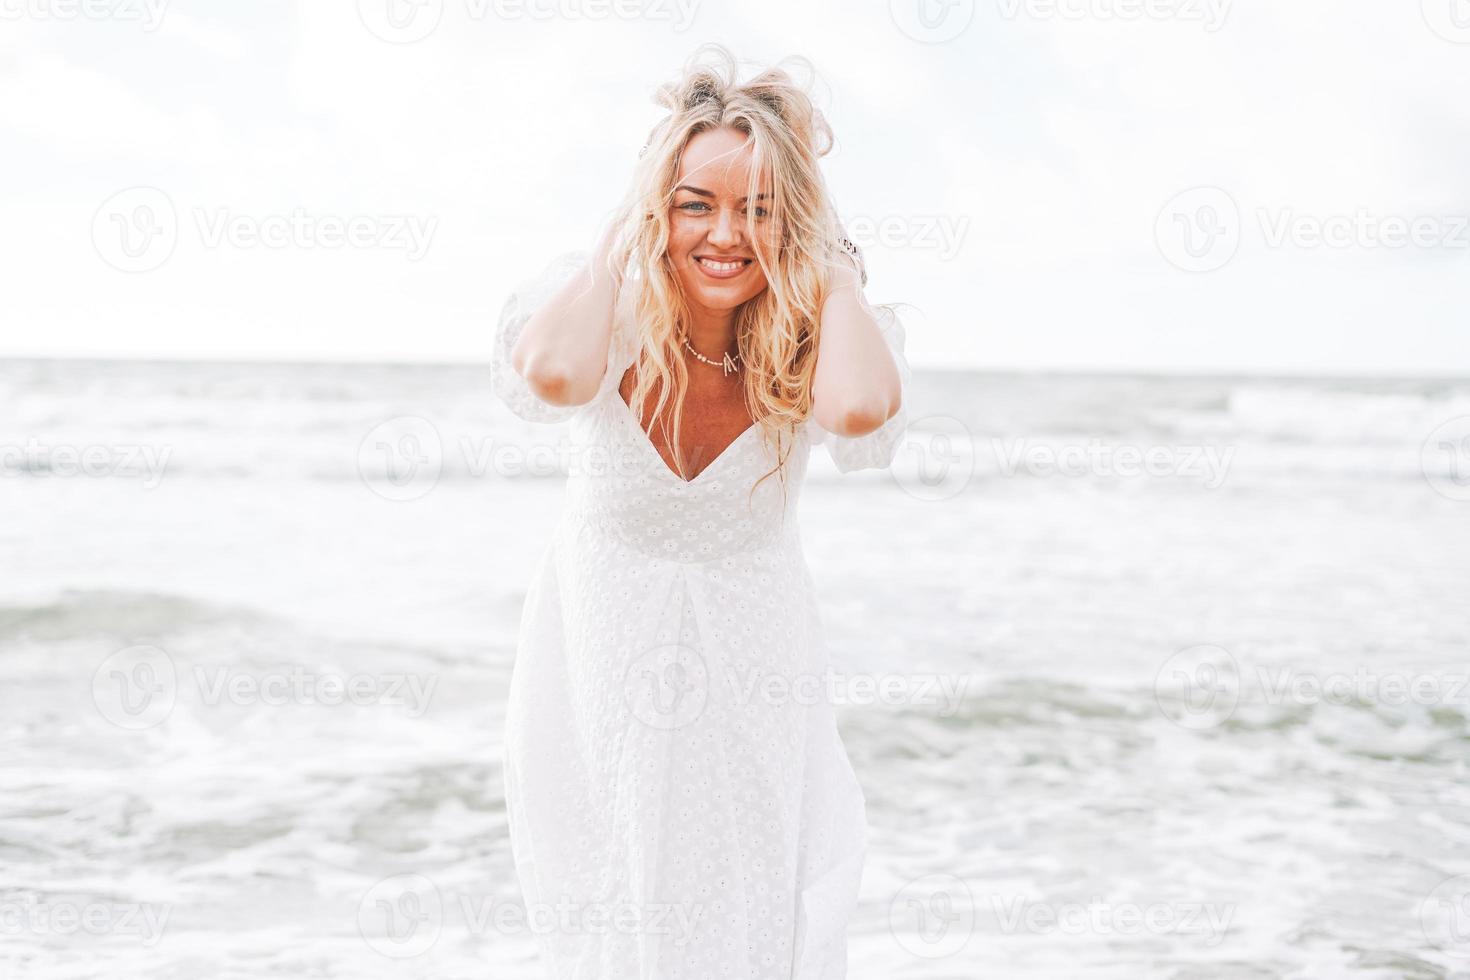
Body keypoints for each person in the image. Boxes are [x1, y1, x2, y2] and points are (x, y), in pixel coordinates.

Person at [492, 42, 910, 980]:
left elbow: (855, 413)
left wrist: (839, 278)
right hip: (595, 665)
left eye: (760, 209)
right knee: (613, 902)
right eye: (695, 203)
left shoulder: (817, 337)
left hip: (753, 671)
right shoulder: (610, 311)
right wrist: (615, 240)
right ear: (656, 208)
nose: (726, 234)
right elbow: (553, 376)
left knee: (754, 904)